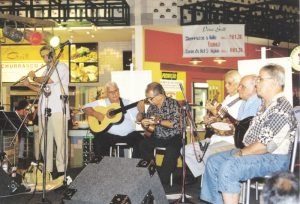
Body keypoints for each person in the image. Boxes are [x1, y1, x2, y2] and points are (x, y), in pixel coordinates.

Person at [200, 64, 297, 204]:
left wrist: (241, 153)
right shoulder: (266, 105)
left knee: (230, 166)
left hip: (273, 158)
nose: (257, 82)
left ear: (274, 82)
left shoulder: (280, 107)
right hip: (258, 153)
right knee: (213, 161)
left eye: (260, 79)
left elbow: (263, 146)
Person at [184, 74, 262, 178]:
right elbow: (234, 123)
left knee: (208, 156)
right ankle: (205, 176)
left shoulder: (253, 103)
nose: (226, 86)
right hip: (218, 138)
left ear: (254, 88)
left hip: (232, 141)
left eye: (229, 83)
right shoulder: (233, 100)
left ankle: (209, 177)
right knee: (186, 150)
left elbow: (242, 128)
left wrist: (217, 116)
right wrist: (212, 120)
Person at [23, 45, 69, 176]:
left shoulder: (61, 67)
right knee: (45, 143)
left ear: (53, 54)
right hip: (44, 110)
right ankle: (48, 171)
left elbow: (48, 81)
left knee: (60, 142)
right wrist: (29, 85)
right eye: (42, 56)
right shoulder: (46, 71)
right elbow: (42, 90)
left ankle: (61, 172)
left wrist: (34, 77)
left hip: (58, 109)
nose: (45, 58)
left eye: (46, 55)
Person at [137, 82, 181, 184]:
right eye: (147, 98)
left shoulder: (173, 104)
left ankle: (161, 182)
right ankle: (152, 173)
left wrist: (158, 121)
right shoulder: (152, 107)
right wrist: (144, 123)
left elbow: (174, 124)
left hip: (173, 137)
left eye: (150, 98)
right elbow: (149, 128)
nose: (148, 101)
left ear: (160, 96)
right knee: (143, 144)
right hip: (158, 137)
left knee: (171, 151)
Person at [83, 82, 143, 158]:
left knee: (142, 142)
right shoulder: (101, 103)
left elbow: (139, 119)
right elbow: (85, 108)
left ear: (119, 91)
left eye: (116, 91)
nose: (114, 94)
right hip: (110, 136)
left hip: (129, 135)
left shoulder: (128, 103)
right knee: (98, 141)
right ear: (107, 94)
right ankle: (104, 166)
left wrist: (141, 111)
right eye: (111, 92)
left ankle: (135, 167)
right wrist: (95, 113)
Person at [15, 99, 30, 169]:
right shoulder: (15, 115)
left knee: (22, 139)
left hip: (20, 135)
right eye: (26, 109)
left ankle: (20, 157)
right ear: (23, 109)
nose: (28, 111)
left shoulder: (22, 116)